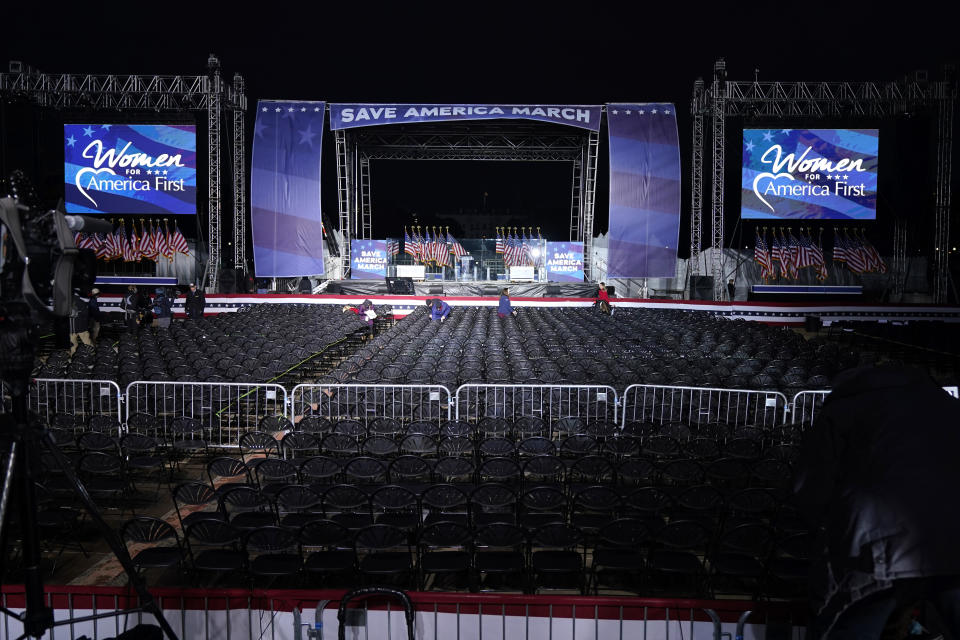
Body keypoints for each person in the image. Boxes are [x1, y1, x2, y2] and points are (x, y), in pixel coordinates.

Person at [793, 366, 960, 639]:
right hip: (952, 540)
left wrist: (828, 533)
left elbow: (812, 486)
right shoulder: (949, 406)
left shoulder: (846, 407)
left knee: (851, 627)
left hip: (880, 542)